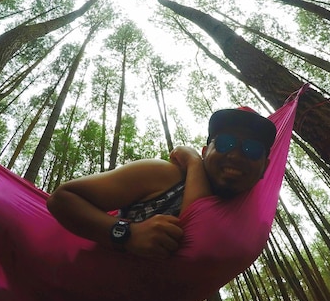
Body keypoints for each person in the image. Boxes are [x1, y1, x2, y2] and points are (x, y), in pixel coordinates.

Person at [46, 106, 277, 259]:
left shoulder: (247, 217)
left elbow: (202, 229)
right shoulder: (164, 175)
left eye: (252, 149)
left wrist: (195, 162)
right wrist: (127, 234)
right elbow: (62, 199)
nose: (236, 155)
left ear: (265, 167)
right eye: (225, 143)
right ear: (206, 151)